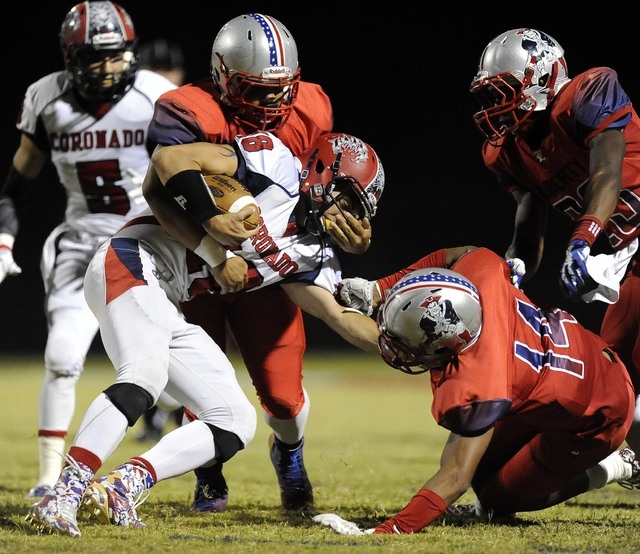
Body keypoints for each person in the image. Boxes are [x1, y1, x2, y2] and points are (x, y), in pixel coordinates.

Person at [31, 130, 383, 535]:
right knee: (143, 376)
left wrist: (406, 352)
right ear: (324, 171)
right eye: (349, 200)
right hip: (133, 258)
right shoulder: (275, 166)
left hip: (167, 298)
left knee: (235, 419)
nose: (351, 218)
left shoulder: (312, 251)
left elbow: (339, 316)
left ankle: (122, 485)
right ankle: (64, 494)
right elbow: (164, 166)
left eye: (359, 210)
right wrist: (213, 242)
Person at [145, 13, 371, 513]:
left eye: (280, 90)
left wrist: (345, 229)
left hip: (270, 274)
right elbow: (160, 192)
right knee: (200, 389)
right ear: (223, 77)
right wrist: (212, 249)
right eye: (256, 90)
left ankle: (289, 451)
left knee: (285, 398)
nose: (272, 102)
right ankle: (208, 471)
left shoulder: (310, 106)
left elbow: (319, 191)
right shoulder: (186, 110)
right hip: (195, 265)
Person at [313, 246, 637, 535]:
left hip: (601, 412)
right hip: (578, 362)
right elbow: (458, 255)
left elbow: (454, 477)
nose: (398, 349)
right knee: (485, 472)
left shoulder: (479, 383)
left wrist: (391, 529)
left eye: (408, 342)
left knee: (497, 499)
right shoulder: (479, 277)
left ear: (445, 343)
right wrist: (380, 290)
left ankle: (620, 465)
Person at [0, 1, 177, 500]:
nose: (104, 68)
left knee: (174, 375)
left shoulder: (157, 96)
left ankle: (197, 475)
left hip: (149, 243)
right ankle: (46, 479)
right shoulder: (47, 98)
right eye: (92, 58)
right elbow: (17, 184)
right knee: (61, 357)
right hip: (81, 242)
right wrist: (4, 238)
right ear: (70, 57)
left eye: (114, 56)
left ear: (130, 52)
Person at [464, 28, 640, 456]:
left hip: (625, 244)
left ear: (541, 78)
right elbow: (527, 229)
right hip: (629, 257)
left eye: (502, 93)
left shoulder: (587, 94)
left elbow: (606, 174)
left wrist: (583, 238)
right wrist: (514, 271)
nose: (493, 109)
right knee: (615, 376)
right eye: (488, 98)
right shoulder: (507, 151)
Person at [136, 36, 187, 442]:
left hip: (162, 225)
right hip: (158, 227)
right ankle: (162, 412)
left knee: (166, 330)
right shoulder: (168, 105)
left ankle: (165, 412)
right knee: (165, 329)